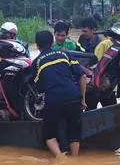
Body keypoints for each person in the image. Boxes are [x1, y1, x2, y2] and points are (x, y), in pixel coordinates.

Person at [33, 30, 87, 158]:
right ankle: (74, 160)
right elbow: (82, 76)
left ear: (37, 45)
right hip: (73, 96)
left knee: (49, 136)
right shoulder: (65, 54)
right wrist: (83, 99)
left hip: (54, 99)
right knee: (74, 133)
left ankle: (61, 160)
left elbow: (39, 88)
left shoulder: (37, 62)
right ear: (52, 42)